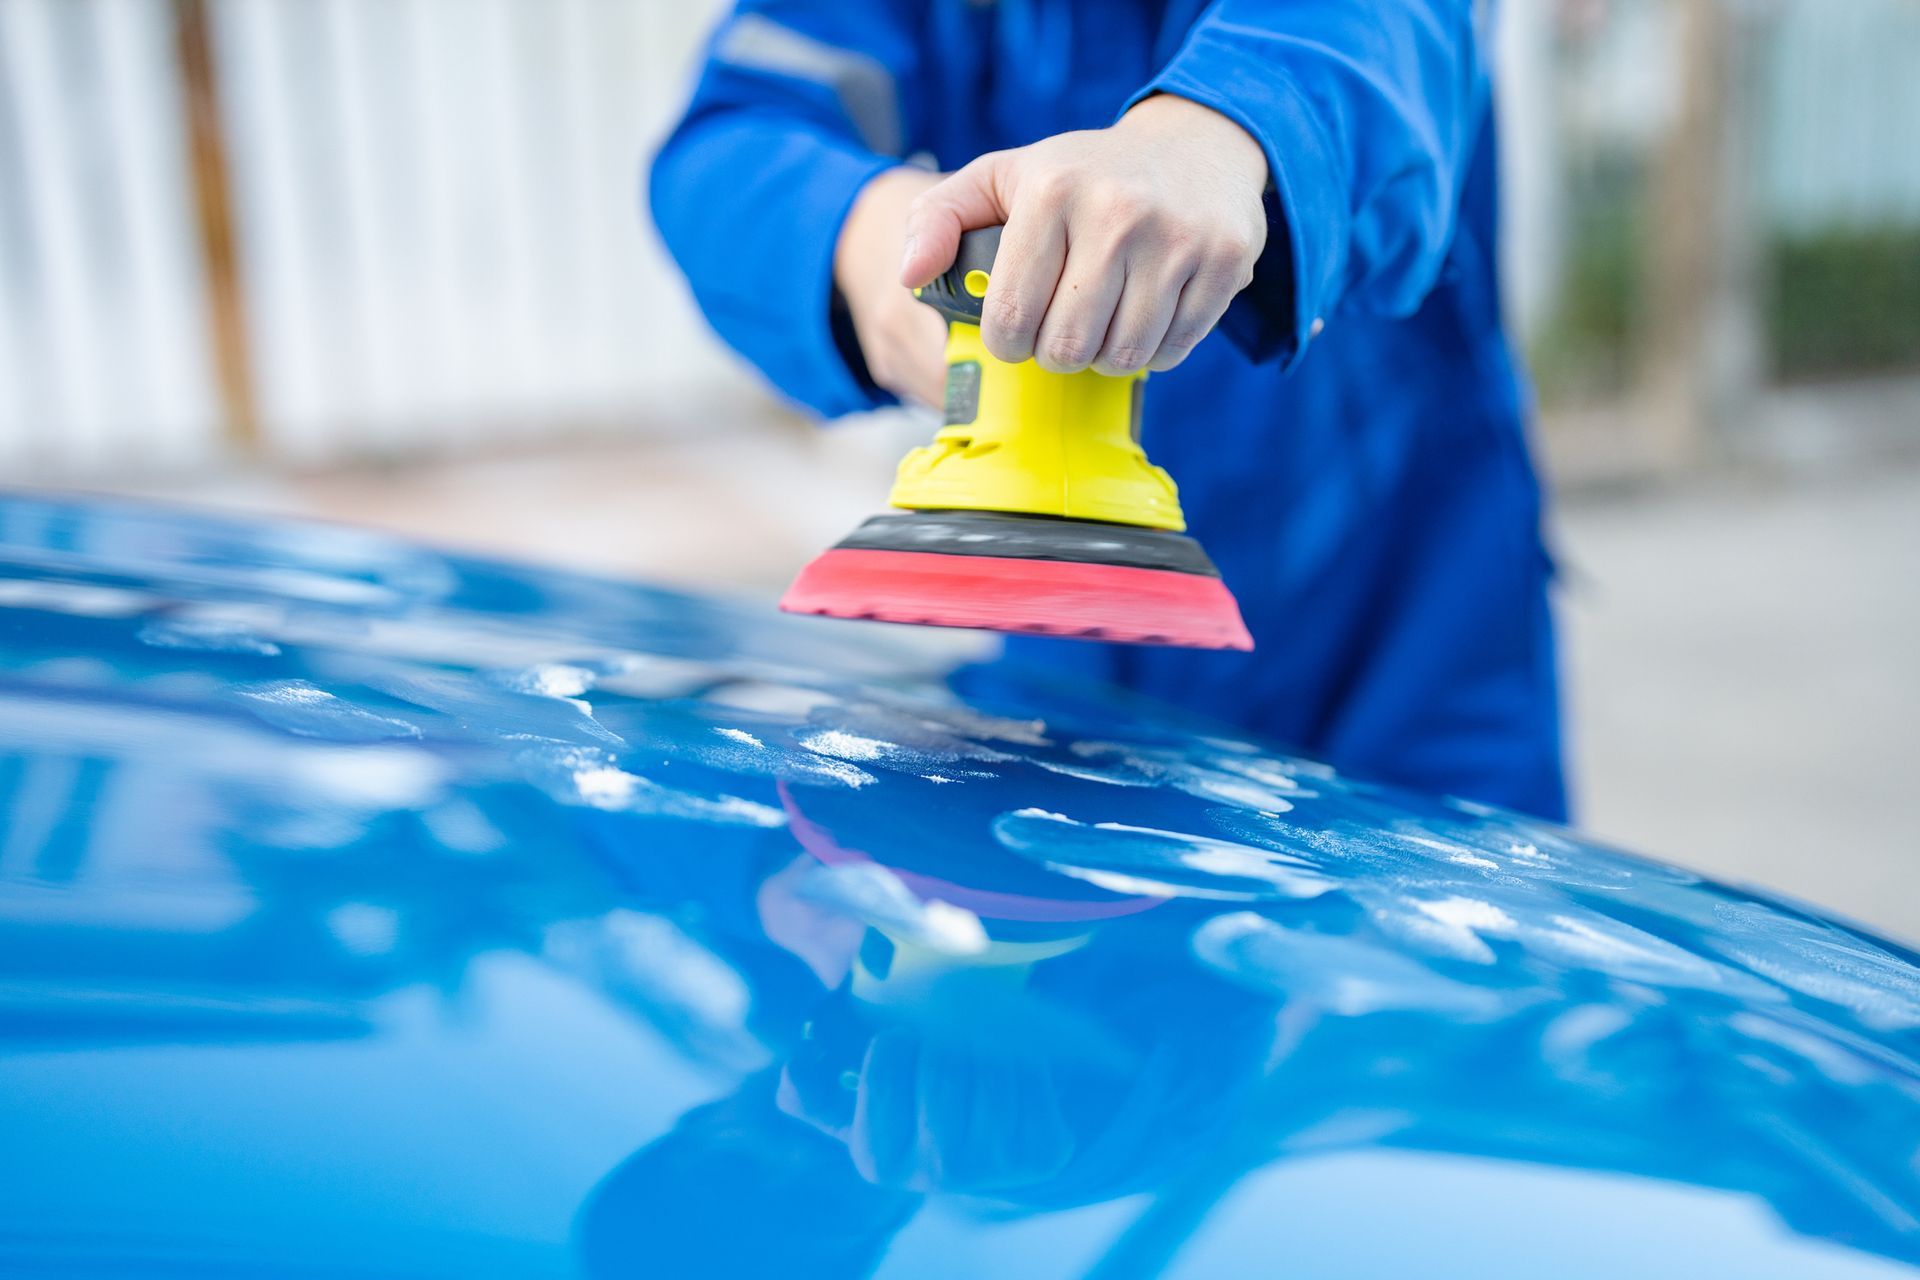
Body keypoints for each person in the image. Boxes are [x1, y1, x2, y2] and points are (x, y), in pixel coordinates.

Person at [649, 0, 1568, 820]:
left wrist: (1223, 127)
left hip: (1407, 619)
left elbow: (1394, 23)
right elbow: (729, 139)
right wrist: (867, 240)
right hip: (1057, 644)